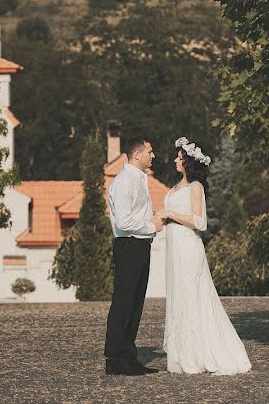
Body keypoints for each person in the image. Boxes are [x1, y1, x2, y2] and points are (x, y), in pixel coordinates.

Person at [156, 137, 251, 375]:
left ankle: (198, 354)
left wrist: (170, 214)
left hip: (188, 248)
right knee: (179, 297)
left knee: (191, 297)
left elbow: (200, 222)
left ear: (189, 162)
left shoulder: (195, 187)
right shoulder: (177, 186)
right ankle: (182, 354)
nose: (176, 160)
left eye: (180, 157)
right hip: (174, 249)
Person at [104, 137, 164, 376]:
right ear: (137, 155)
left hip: (139, 246)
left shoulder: (138, 179)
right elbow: (124, 221)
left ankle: (128, 357)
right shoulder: (124, 182)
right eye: (150, 151)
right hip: (128, 245)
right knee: (123, 302)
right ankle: (116, 359)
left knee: (135, 302)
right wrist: (152, 226)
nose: (153, 155)